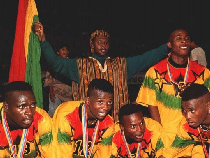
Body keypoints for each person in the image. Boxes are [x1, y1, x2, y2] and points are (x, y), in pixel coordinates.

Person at [33, 22, 169, 120]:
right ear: (92, 45)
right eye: (99, 42)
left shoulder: (120, 65)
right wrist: (43, 40)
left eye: (106, 43)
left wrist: (167, 47)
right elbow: (55, 64)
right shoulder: (80, 65)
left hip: (116, 124)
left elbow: (146, 58)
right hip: (88, 126)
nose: (103, 45)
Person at [136, 28, 210, 158]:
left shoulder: (202, 72)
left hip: (192, 133)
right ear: (169, 44)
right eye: (178, 38)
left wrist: (197, 92)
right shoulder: (154, 72)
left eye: (187, 38)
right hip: (167, 131)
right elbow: (151, 103)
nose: (184, 41)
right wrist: (161, 132)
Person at [43, 44, 75, 117]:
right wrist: (51, 93)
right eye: (63, 49)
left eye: (66, 50)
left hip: (69, 94)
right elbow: (49, 80)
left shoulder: (71, 64)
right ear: (57, 52)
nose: (65, 51)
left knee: (67, 114)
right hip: (56, 92)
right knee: (53, 112)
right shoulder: (54, 64)